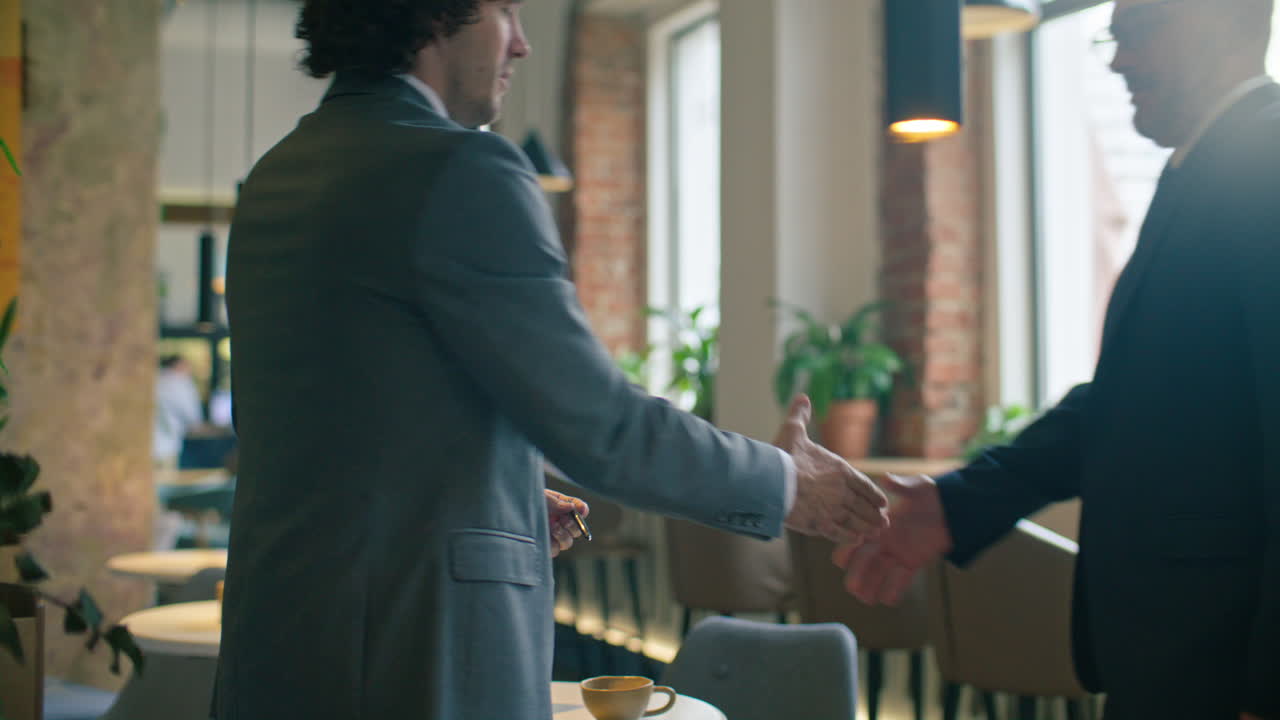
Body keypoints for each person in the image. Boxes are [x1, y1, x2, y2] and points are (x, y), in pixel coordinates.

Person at [214, 2, 889, 719]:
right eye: (505, 9)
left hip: (280, 648)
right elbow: (603, 428)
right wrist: (783, 481)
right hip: (412, 655)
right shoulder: (458, 170)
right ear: (435, 15)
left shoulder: (276, 178)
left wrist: (496, 492)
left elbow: (339, 423)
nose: (523, 43)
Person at [834, 1, 1280, 718]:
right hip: (1170, 655)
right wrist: (961, 501)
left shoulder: (1266, 159)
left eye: (1145, 31)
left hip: (1221, 670)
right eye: (1115, 34)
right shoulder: (1198, 168)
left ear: (1239, 19)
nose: (1118, 59)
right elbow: (1127, 401)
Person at [153, 354, 205, 468]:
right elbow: (192, 418)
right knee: (166, 482)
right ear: (179, 365)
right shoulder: (181, 383)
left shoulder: (152, 380)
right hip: (166, 446)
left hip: (144, 446)